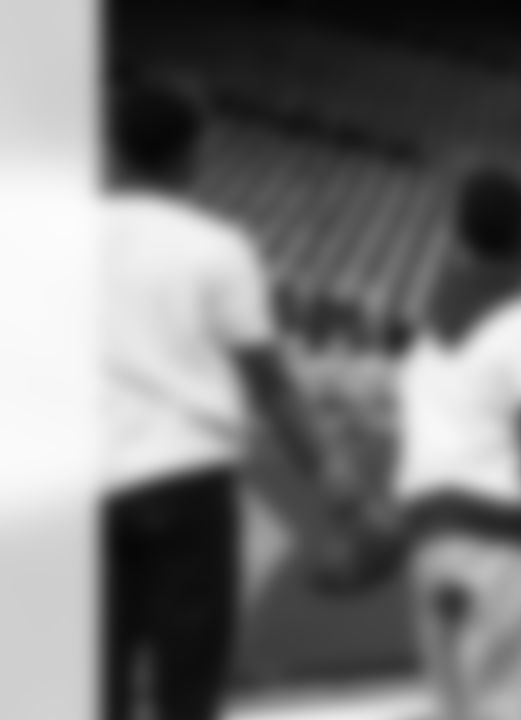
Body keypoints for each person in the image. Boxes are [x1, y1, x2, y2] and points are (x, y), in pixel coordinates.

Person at [102, 76, 350, 720]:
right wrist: (332, 476)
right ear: (194, 152)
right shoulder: (217, 246)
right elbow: (269, 381)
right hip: (188, 481)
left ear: (110, 147)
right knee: (189, 687)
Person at [390, 168, 521, 720]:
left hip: (429, 542)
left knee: (452, 708)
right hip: (499, 542)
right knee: (510, 705)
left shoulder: (426, 335)